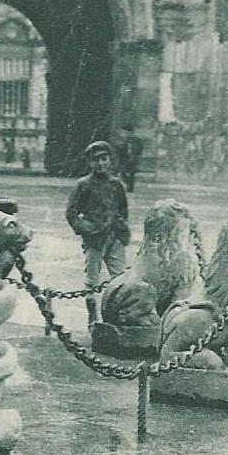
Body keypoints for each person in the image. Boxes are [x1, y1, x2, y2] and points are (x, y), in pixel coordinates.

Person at [66, 140, 131, 326]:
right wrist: (86, 228)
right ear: (89, 162)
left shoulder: (116, 184)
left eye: (104, 158)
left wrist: (121, 228)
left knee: (120, 278)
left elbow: (123, 209)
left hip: (115, 237)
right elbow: (71, 213)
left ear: (110, 160)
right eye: (96, 160)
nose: (101, 163)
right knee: (92, 280)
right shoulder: (84, 184)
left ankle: (118, 314)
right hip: (94, 239)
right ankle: (92, 315)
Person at [114, 124, 144, 192]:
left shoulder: (136, 140)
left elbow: (139, 149)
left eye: (125, 133)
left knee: (131, 173)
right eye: (123, 132)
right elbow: (118, 149)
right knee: (123, 173)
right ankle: (126, 186)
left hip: (133, 159)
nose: (124, 134)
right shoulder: (122, 140)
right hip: (123, 158)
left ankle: (130, 187)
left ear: (131, 133)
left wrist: (136, 156)